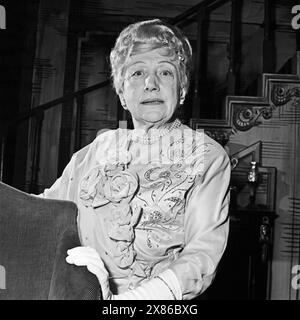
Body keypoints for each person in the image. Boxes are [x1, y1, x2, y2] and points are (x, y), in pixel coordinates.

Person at [40, 19, 231, 300]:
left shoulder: (207, 156)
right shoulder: (96, 150)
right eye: (137, 73)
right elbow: (42, 213)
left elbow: (201, 257)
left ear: (182, 90)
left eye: (165, 73)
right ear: (121, 93)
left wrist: (124, 303)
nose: (151, 84)